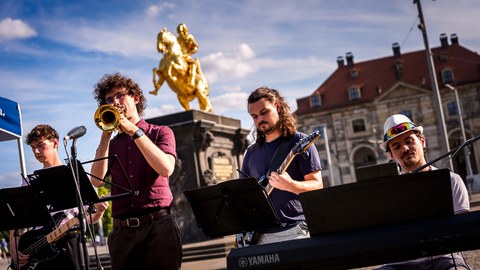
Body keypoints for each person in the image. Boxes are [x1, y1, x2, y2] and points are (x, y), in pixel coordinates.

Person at [90, 72, 182, 270]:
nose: (114, 102)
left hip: (158, 226)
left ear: (135, 98)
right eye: (108, 99)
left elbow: (166, 168)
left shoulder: (160, 132)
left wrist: (134, 131)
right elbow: (96, 180)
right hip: (122, 233)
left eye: (119, 95)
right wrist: (106, 136)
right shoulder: (111, 144)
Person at [376, 114, 470, 269]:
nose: (405, 148)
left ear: (422, 142)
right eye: (397, 146)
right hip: (399, 265)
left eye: (409, 141)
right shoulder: (387, 192)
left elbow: (464, 232)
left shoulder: (452, 180)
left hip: (444, 261)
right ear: (392, 155)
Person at [9, 124, 108, 270]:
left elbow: (88, 218)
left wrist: (99, 212)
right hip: (37, 247)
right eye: (32, 147)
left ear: (55, 143)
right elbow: (19, 221)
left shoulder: (76, 176)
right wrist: (14, 249)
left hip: (71, 245)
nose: (36, 151)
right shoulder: (30, 181)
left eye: (40, 145)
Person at [240, 86, 323, 245]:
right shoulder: (251, 152)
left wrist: (291, 185)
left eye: (264, 112)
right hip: (259, 236)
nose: (259, 120)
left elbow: (317, 185)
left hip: (294, 230)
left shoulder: (299, 142)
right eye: (254, 116)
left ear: (277, 107)